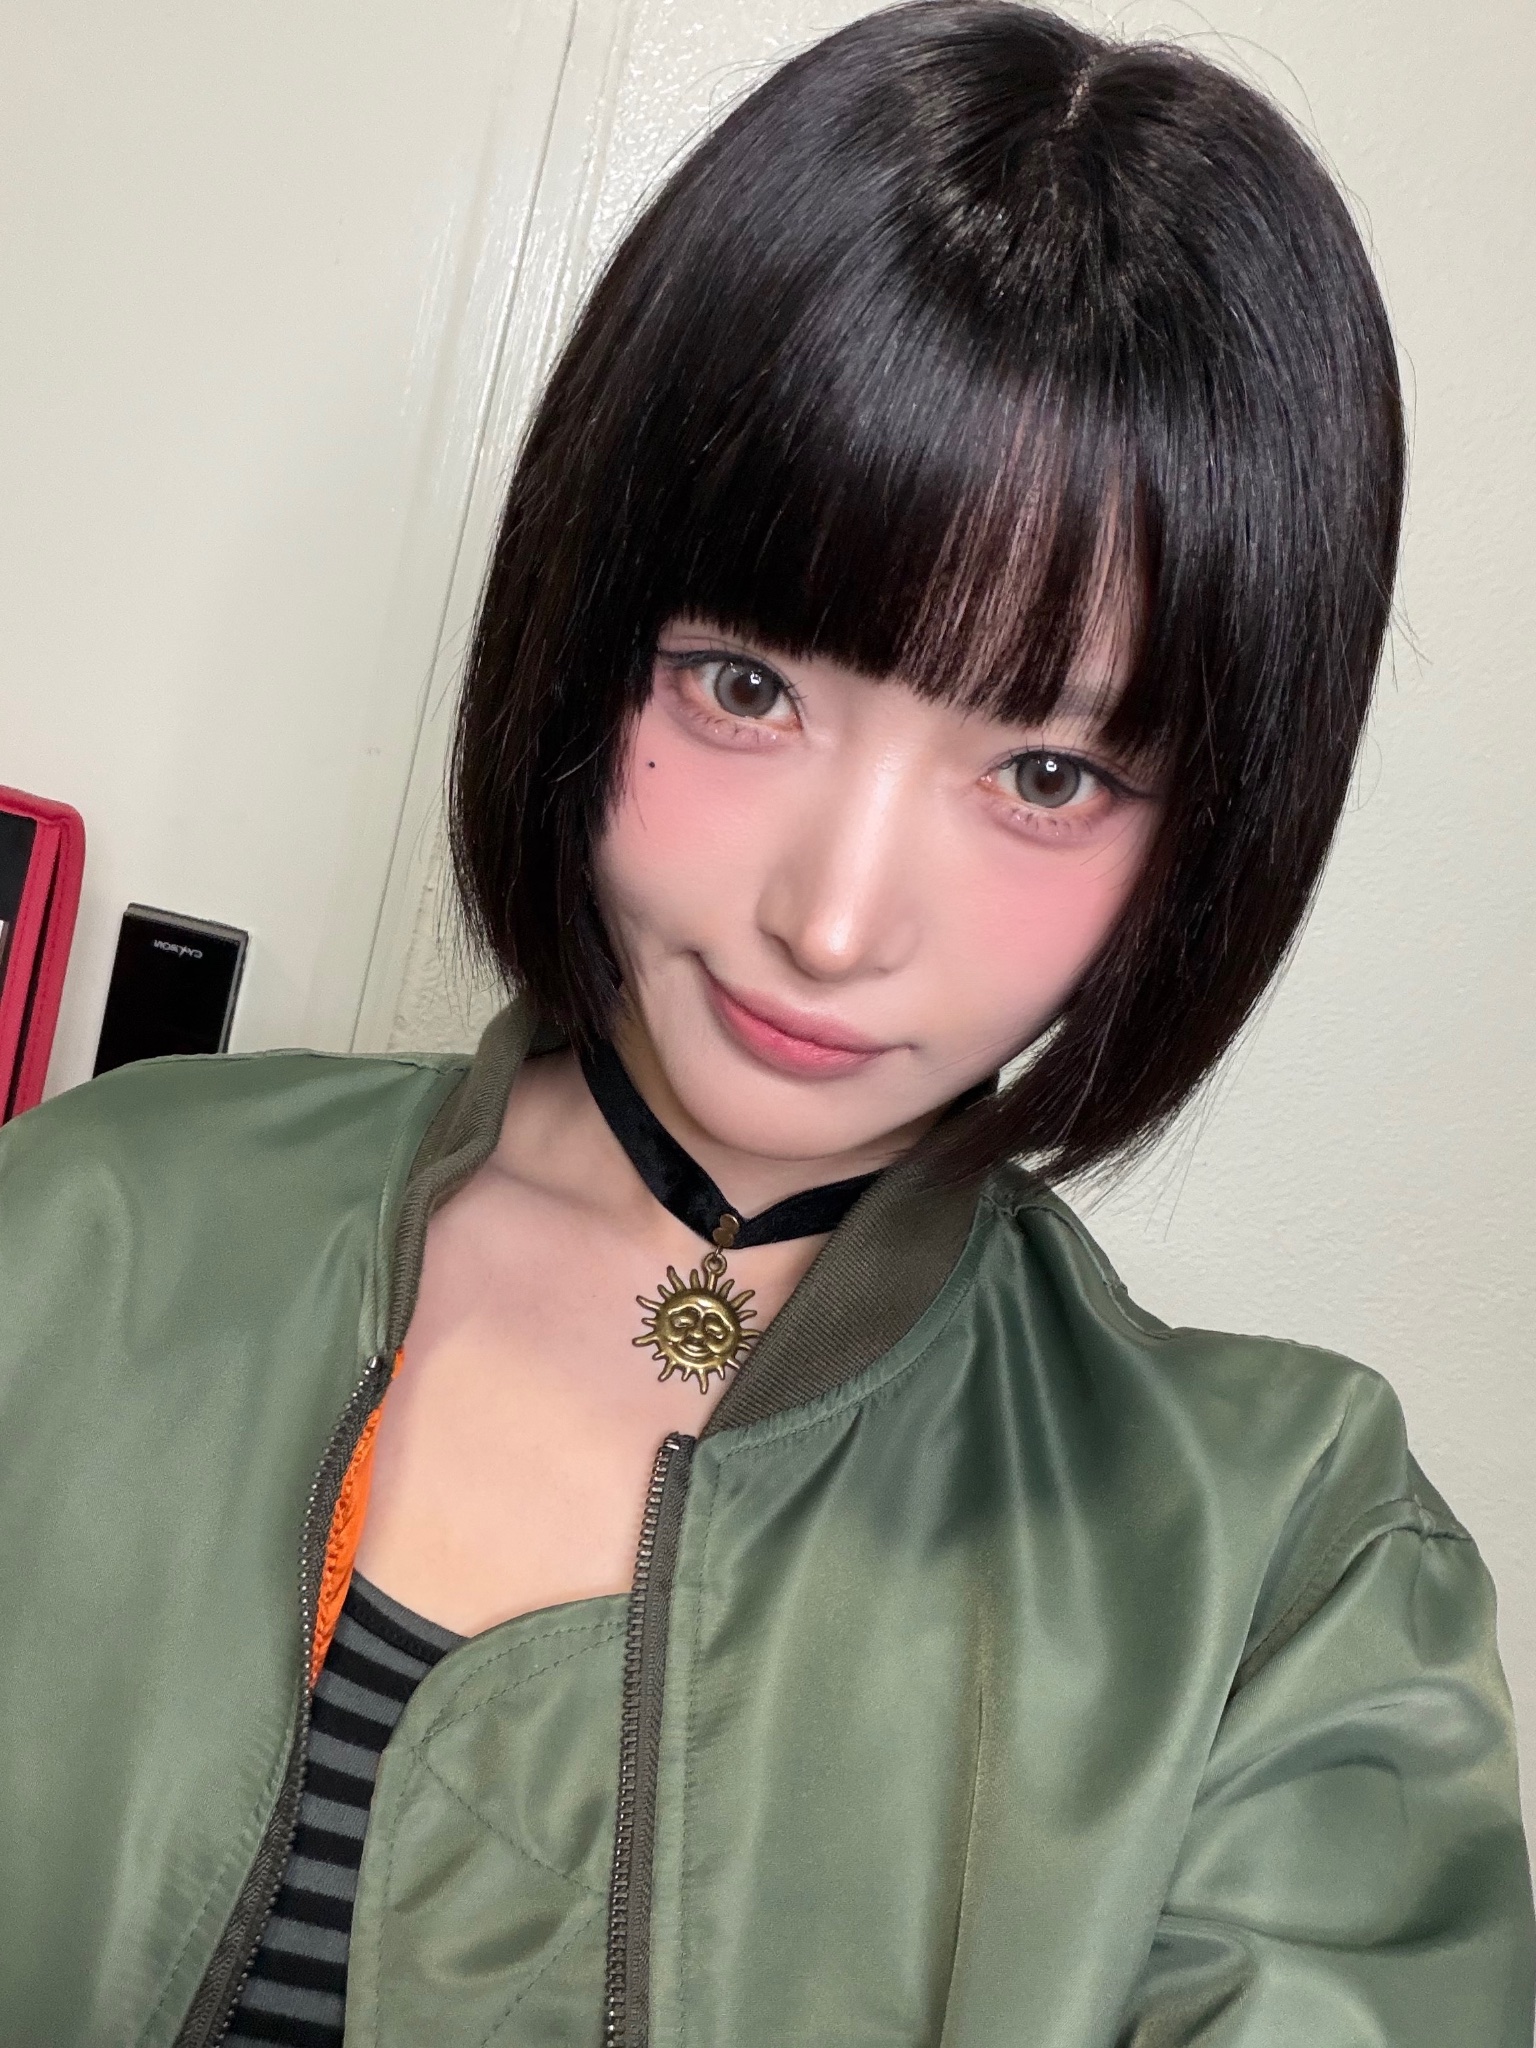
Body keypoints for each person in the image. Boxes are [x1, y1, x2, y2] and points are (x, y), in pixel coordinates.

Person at [1, 3, 1531, 2042]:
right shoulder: (78, 1236)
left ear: (1205, 829)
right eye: (746, 687)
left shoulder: (1279, 1576)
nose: (832, 920)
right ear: (590, 634)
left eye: (1046, 774)